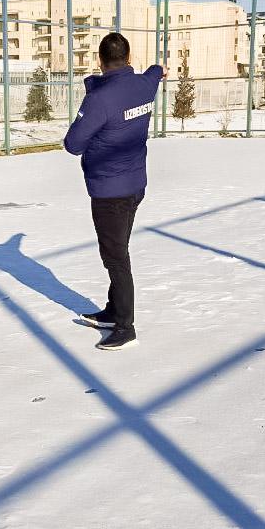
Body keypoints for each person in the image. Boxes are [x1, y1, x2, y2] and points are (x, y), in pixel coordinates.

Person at [63, 33, 164, 351]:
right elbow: (155, 72)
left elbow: (73, 144)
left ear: (100, 60)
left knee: (116, 257)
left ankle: (125, 327)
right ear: (128, 57)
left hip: (110, 192)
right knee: (117, 250)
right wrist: (160, 69)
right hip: (135, 186)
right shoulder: (144, 85)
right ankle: (113, 312)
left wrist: (94, 93)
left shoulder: (100, 100)